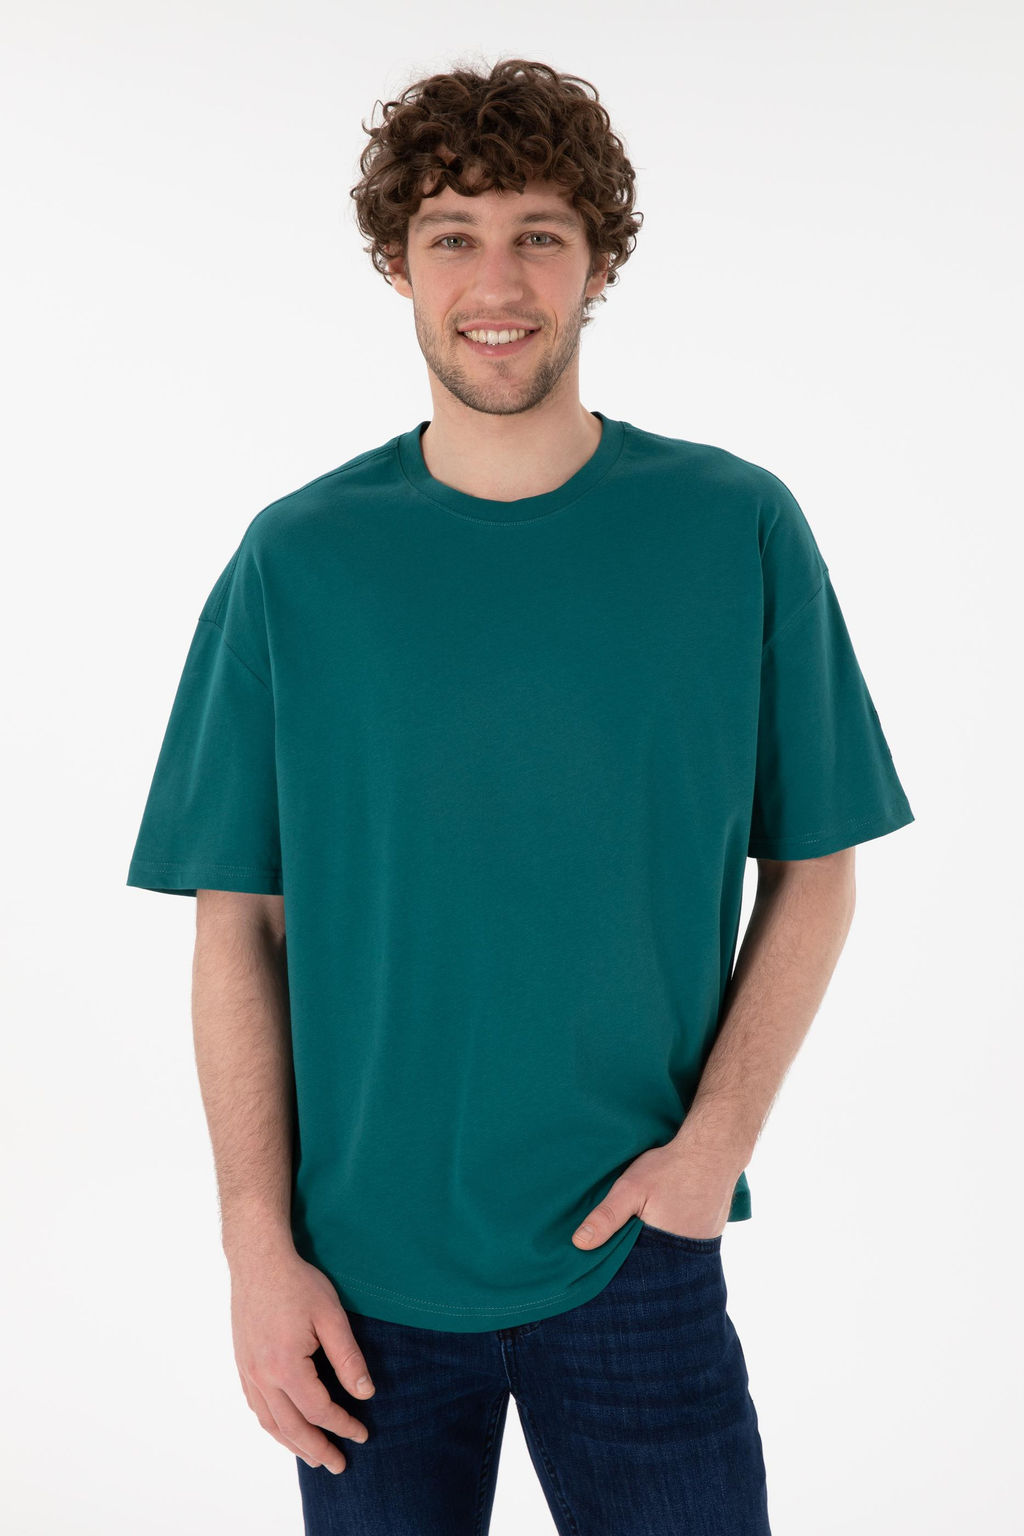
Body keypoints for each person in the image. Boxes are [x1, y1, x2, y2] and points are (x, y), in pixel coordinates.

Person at [125, 56, 915, 1536]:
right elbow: (237, 926)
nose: (497, 281)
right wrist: (253, 1250)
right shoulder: (297, 562)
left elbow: (819, 864)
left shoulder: (734, 527)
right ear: (399, 265)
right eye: (454, 236)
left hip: (637, 1250)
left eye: (539, 233)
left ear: (598, 262)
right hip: (355, 1283)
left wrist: (715, 1153)